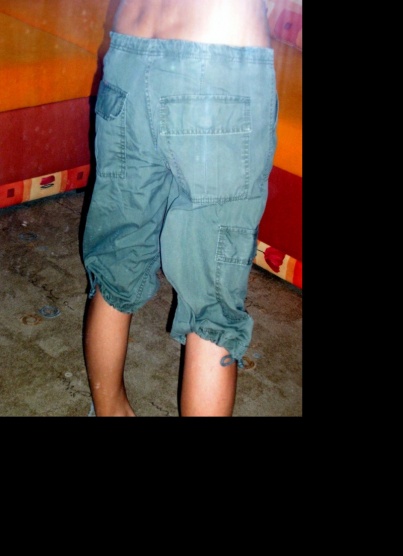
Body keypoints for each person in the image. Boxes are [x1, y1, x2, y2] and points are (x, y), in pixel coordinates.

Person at [82, 0, 278, 416]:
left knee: (118, 257)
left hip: (130, 52)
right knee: (212, 298)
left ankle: (110, 411)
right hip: (219, 63)